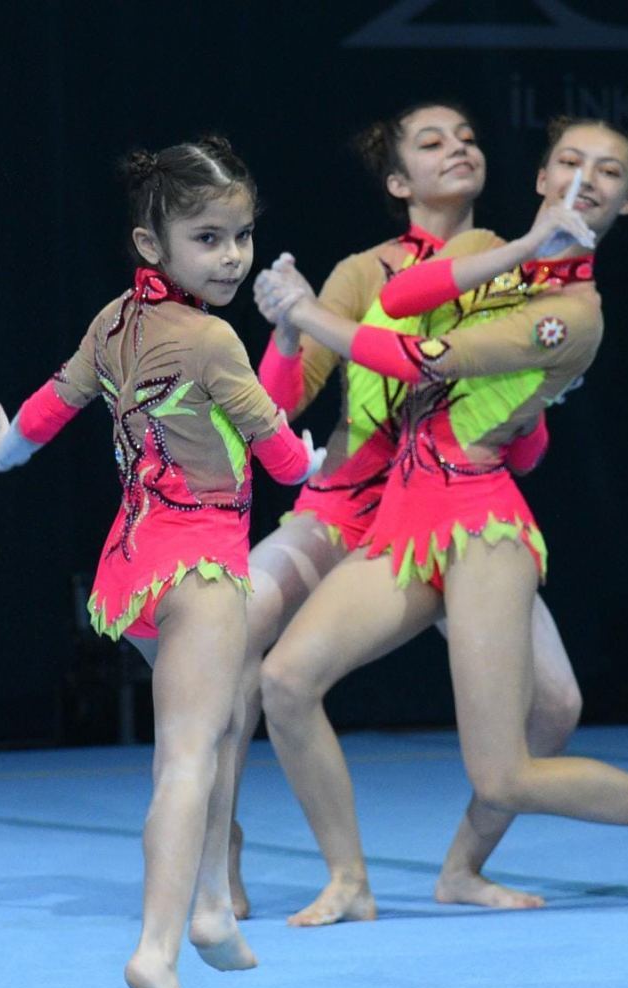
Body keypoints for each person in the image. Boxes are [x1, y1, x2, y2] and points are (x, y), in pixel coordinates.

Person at [254, 117, 628, 926]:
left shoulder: (574, 313)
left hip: (479, 527)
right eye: (571, 162)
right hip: (404, 522)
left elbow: (412, 354)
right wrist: (520, 248)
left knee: (504, 773)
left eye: (609, 173)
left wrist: (305, 312)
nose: (587, 179)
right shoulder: (496, 262)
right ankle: (349, 881)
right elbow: (404, 294)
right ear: (542, 178)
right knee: (285, 681)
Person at [0, 137, 322, 988]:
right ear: (151, 244)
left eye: (242, 235)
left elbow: (53, 401)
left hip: (128, 571)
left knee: (227, 711)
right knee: (186, 760)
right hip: (199, 568)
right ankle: (157, 951)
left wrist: (10, 451)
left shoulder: (113, 322)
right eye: (208, 238)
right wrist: (311, 462)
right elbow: (276, 450)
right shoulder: (211, 337)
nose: (233, 256)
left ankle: (208, 906)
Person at [233, 101, 576, 919]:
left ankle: (464, 866)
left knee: (557, 707)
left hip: (457, 513)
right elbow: (280, 407)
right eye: (432, 143)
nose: (457, 148)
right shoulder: (364, 272)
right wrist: (287, 329)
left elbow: (524, 446)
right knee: (227, 648)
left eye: (468, 136)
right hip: (347, 513)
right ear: (398, 180)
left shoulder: (519, 268)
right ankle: (225, 853)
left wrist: (524, 423)